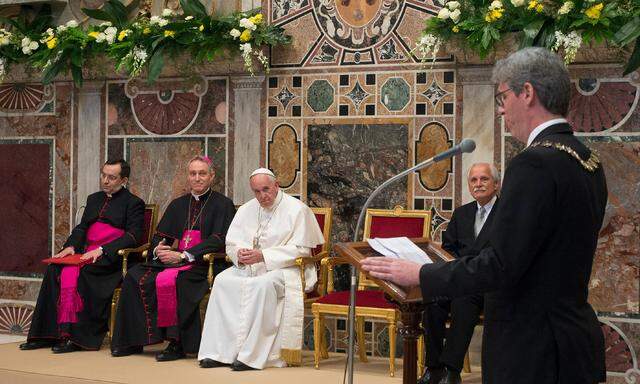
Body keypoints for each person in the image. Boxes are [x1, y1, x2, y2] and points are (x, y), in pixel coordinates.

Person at [362, 47, 607, 384]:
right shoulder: (586, 159)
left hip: (532, 349)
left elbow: (500, 265)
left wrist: (421, 273)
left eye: (503, 96)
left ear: (527, 92)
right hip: (574, 339)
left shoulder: (534, 163)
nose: (501, 108)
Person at [110, 155, 235, 361]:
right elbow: (161, 236)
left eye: (202, 173)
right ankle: (133, 341)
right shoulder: (178, 204)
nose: (197, 178)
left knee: (177, 281)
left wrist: (184, 255)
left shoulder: (223, 204)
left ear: (212, 176)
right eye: (193, 173)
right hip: (171, 261)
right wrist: (159, 249)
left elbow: (219, 240)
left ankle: (176, 343)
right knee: (134, 275)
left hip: (202, 264)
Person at [197, 168, 324, 371]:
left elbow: (302, 250)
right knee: (222, 280)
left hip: (287, 269)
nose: (262, 196)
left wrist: (264, 255)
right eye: (256, 191)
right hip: (251, 266)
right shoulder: (247, 209)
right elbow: (231, 243)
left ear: (276, 185)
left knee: (262, 285)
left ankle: (253, 356)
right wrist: (239, 254)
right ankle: (220, 353)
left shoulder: (297, 209)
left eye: (266, 189)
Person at [20, 159, 145, 353]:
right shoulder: (94, 199)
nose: (105, 181)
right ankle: (47, 335)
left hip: (111, 258)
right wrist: (71, 246)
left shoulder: (134, 203)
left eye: (111, 177)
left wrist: (103, 250)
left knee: (84, 272)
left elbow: (133, 236)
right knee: (54, 269)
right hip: (88, 253)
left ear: (124, 179)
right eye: (103, 175)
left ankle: (77, 338)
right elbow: (83, 227)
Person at [419, 162, 500, 384]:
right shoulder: (462, 213)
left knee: (464, 301)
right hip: (458, 277)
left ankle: (451, 370)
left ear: (496, 184)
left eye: (484, 179)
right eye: (473, 180)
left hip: (487, 284)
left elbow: (503, 253)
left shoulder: (506, 214)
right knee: (433, 301)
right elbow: (448, 248)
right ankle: (433, 366)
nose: (478, 184)